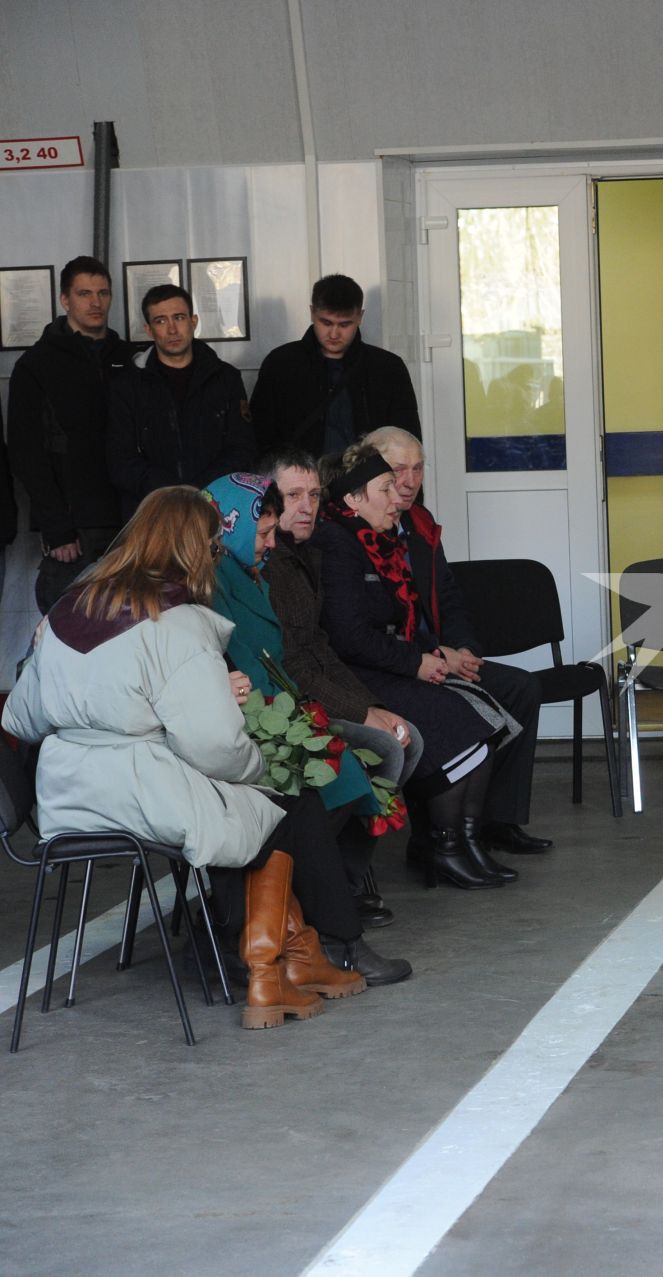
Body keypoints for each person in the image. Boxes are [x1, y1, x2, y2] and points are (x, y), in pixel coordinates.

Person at [1, 486, 365, 1029]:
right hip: (144, 796)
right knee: (284, 802)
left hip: (67, 802)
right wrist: (256, 763)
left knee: (260, 813)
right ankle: (290, 962)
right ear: (198, 551)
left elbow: (19, 719)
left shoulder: (63, 614)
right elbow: (215, 747)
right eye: (216, 549)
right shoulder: (177, 623)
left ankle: (292, 958)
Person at [204, 471, 412, 982]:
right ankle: (324, 930)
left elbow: (297, 653)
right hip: (243, 728)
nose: (271, 545)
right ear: (229, 528)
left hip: (275, 712)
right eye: (263, 534)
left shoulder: (249, 570)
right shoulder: (212, 582)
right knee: (323, 781)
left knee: (368, 763)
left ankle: (306, 918)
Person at [313, 443, 520, 889]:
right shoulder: (337, 544)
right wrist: (416, 663)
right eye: (385, 488)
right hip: (359, 675)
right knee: (457, 721)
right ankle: (442, 848)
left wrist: (439, 652)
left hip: (390, 664)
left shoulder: (378, 541)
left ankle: (462, 842)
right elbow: (349, 638)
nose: (396, 498)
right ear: (353, 499)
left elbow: (403, 618)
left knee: (482, 716)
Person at [367, 426, 550, 854]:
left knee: (521, 688)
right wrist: (436, 654)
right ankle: (435, 835)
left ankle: (496, 821)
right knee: (453, 708)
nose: (410, 482)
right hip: (398, 664)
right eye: (398, 471)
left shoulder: (420, 523)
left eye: (418, 469)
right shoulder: (359, 527)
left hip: (439, 654)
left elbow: (448, 596)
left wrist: (465, 650)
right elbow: (379, 624)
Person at [260, 449, 422, 928]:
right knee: (383, 749)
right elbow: (292, 663)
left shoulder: (308, 552)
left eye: (313, 494)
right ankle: (331, 884)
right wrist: (363, 712)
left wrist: (371, 706)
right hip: (283, 703)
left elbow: (322, 648)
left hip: (314, 690)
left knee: (406, 741)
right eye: (292, 496)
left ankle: (342, 875)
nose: (306, 506)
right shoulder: (270, 564)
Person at [7, 256, 135, 612]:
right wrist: (56, 528)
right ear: (65, 300)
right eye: (84, 293)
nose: (95, 302)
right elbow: (25, 453)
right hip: (75, 528)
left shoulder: (131, 358)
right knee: (67, 635)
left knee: (133, 628)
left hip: (132, 517)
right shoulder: (36, 365)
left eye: (103, 293)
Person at [107, 285, 256, 516]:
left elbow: (242, 450)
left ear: (193, 321)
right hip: (152, 515)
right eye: (161, 321)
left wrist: (197, 490)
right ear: (148, 329)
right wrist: (174, 491)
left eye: (179, 317)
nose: (173, 329)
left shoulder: (226, 378)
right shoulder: (127, 386)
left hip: (214, 510)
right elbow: (120, 460)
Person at [249, 274, 419, 459]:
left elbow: (408, 443)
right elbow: (260, 437)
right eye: (326, 322)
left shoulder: (388, 368)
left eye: (345, 324)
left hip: (369, 483)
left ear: (360, 317)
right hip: (299, 483)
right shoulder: (280, 364)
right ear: (312, 313)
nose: (334, 333)